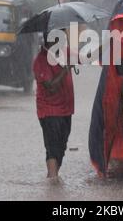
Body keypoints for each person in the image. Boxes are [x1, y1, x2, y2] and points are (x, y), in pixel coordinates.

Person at [33, 32, 75, 183]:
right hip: (49, 110)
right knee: (52, 146)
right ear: (49, 39)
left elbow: (87, 56)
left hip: (66, 109)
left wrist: (109, 43)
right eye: (58, 37)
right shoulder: (41, 60)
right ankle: (52, 180)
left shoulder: (65, 53)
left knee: (61, 146)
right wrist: (66, 69)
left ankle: (53, 178)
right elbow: (51, 86)